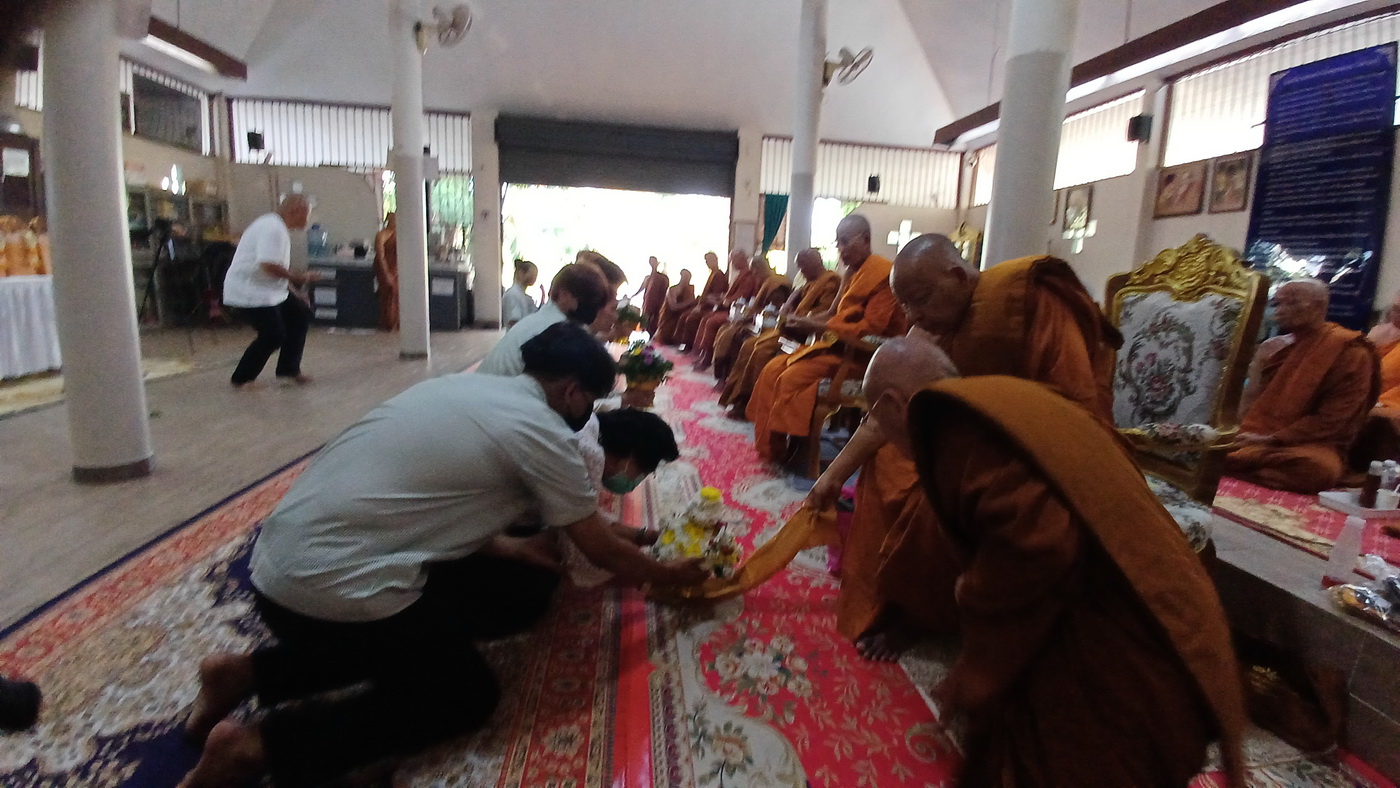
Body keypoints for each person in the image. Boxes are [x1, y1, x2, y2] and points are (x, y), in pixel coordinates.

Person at [176, 323, 709, 788]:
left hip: (276, 566)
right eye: (590, 400)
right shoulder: (544, 432)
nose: (591, 412)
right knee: (465, 694)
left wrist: (510, 546)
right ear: (571, 391)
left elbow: (427, 504)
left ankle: (242, 673)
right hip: (324, 592)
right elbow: (594, 545)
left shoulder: (460, 386)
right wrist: (667, 574)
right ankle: (255, 748)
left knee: (454, 617)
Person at [904, 374, 1246, 786]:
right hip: (1176, 604)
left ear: (891, 405)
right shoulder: (1015, 403)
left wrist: (979, 662)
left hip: (1150, 652)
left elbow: (1039, 545)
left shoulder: (955, 428)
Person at [806, 233, 1119, 659]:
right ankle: (886, 598)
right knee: (888, 464)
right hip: (972, 437)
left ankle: (919, 615)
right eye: (906, 306)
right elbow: (887, 414)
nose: (912, 316)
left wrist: (987, 438)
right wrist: (832, 476)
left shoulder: (1032, 302)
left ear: (956, 276)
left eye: (920, 301)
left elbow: (1076, 405)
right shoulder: (934, 321)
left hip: (1049, 446)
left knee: (939, 492)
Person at [747, 214, 905, 463]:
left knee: (790, 377)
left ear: (865, 239)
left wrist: (816, 324)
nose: (840, 249)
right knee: (772, 369)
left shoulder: (884, 274)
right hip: (835, 347)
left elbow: (872, 328)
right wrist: (802, 321)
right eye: (837, 243)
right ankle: (772, 447)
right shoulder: (851, 272)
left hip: (862, 359)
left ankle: (798, 447)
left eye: (845, 242)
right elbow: (833, 313)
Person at [1225, 279, 1379, 493]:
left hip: (1311, 442)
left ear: (1319, 306)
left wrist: (1272, 440)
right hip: (1254, 434)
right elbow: (1249, 399)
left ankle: (1232, 463)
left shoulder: (1351, 352)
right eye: (1278, 303)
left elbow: (1334, 418)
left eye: (1292, 303)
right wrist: (1237, 429)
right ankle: (1240, 461)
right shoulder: (1273, 348)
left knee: (1319, 470)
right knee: (1217, 440)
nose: (1280, 311)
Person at [561, 407, 681, 587]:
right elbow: (585, 556)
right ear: (630, 458)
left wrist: (642, 536)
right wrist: (660, 572)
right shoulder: (590, 454)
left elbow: (587, 514)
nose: (637, 481)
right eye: (641, 473)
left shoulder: (591, 426)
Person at [719, 249, 840, 416]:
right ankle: (738, 398)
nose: (801, 271)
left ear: (816, 262)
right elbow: (794, 302)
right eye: (799, 268)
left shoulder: (830, 281)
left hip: (806, 333)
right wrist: (790, 304)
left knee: (760, 351)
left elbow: (825, 313)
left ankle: (752, 404)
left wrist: (799, 317)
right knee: (748, 345)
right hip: (792, 327)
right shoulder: (810, 282)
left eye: (803, 267)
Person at [223, 194, 319, 389]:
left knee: (300, 315)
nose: (308, 220)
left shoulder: (278, 227)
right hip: (249, 291)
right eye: (307, 214)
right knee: (273, 334)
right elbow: (268, 265)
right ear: (295, 211)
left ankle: (288, 369)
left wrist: (296, 293)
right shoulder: (272, 228)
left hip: (269, 290)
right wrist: (300, 277)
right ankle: (242, 379)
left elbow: (276, 266)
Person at [476, 263, 611, 377]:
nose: (597, 309)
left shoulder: (547, 320)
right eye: (592, 300)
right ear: (564, 295)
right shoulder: (554, 330)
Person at [701, 254, 791, 375]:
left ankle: (727, 374)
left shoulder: (776, 283)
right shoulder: (765, 281)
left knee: (733, 335)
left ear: (759, 268)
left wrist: (746, 317)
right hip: (755, 319)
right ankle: (720, 370)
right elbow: (755, 303)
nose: (753, 274)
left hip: (767, 324)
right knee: (725, 329)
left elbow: (774, 310)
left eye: (754, 271)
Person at [690, 251, 763, 368]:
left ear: (741, 259)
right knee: (706, 318)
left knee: (711, 322)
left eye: (733, 261)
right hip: (731, 308)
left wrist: (723, 300)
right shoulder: (742, 274)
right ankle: (702, 353)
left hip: (740, 311)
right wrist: (721, 298)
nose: (732, 264)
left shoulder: (748, 277)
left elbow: (740, 296)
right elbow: (730, 295)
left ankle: (708, 358)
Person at [661, 252, 727, 347]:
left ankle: (687, 345)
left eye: (709, 260)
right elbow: (673, 306)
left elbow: (716, 296)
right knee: (685, 316)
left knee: (690, 318)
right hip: (703, 303)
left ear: (715, 260)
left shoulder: (718, 275)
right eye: (706, 261)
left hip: (710, 306)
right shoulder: (712, 274)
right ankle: (678, 342)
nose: (707, 263)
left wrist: (701, 303)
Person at [654, 269, 697, 345]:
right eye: (685, 277)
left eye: (688, 278)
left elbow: (692, 305)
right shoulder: (672, 289)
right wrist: (689, 302)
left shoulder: (689, 289)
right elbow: (673, 306)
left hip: (682, 318)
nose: (687, 280)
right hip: (670, 319)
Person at [372, 212, 398, 331]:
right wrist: (386, 274)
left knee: (397, 297)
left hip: (397, 270)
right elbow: (381, 256)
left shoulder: (399, 234)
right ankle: (388, 324)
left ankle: (396, 324)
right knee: (388, 296)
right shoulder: (382, 235)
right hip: (385, 269)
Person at [632, 256, 670, 335]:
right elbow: (642, 288)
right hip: (647, 302)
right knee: (645, 319)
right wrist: (633, 295)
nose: (653, 264)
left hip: (658, 303)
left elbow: (666, 290)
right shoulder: (648, 277)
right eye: (651, 262)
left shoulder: (663, 278)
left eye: (654, 262)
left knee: (655, 321)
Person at [503, 259, 539, 329]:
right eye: (532, 274)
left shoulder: (524, 297)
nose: (534, 278)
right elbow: (513, 321)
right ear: (521, 273)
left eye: (535, 275)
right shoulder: (513, 294)